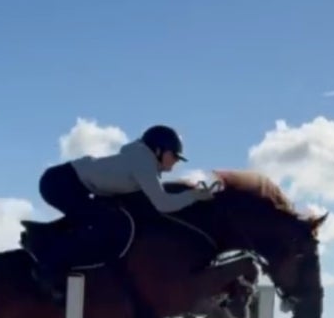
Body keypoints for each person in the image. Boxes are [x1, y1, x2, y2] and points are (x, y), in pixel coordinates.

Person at [32, 124, 215, 289]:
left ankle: (46, 241)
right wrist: (193, 196)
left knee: (102, 219)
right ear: (158, 150)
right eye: (174, 155)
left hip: (67, 183)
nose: (176, 161)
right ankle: (48, 266)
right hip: (60, 183)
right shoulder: (144, 163)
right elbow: (163, 204)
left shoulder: (143, 160)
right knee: (99, 224)